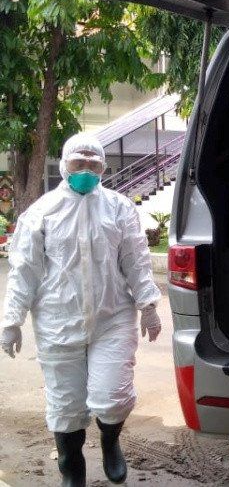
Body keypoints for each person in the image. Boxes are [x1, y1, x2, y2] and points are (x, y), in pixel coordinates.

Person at [0, 133, 162, 487]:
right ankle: (71, 465)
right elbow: (24, 270)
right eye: (79, 163)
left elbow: (136, 259)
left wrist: (148, 304)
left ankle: (109, 440)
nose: (86, 170)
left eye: (94, 164)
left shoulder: (119, 208)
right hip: (59, 320)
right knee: (66, 401)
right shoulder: (41, 213)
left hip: (113, 317)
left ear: (103, 167)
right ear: (64, 164)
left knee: (112, 396)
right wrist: (11, 320)